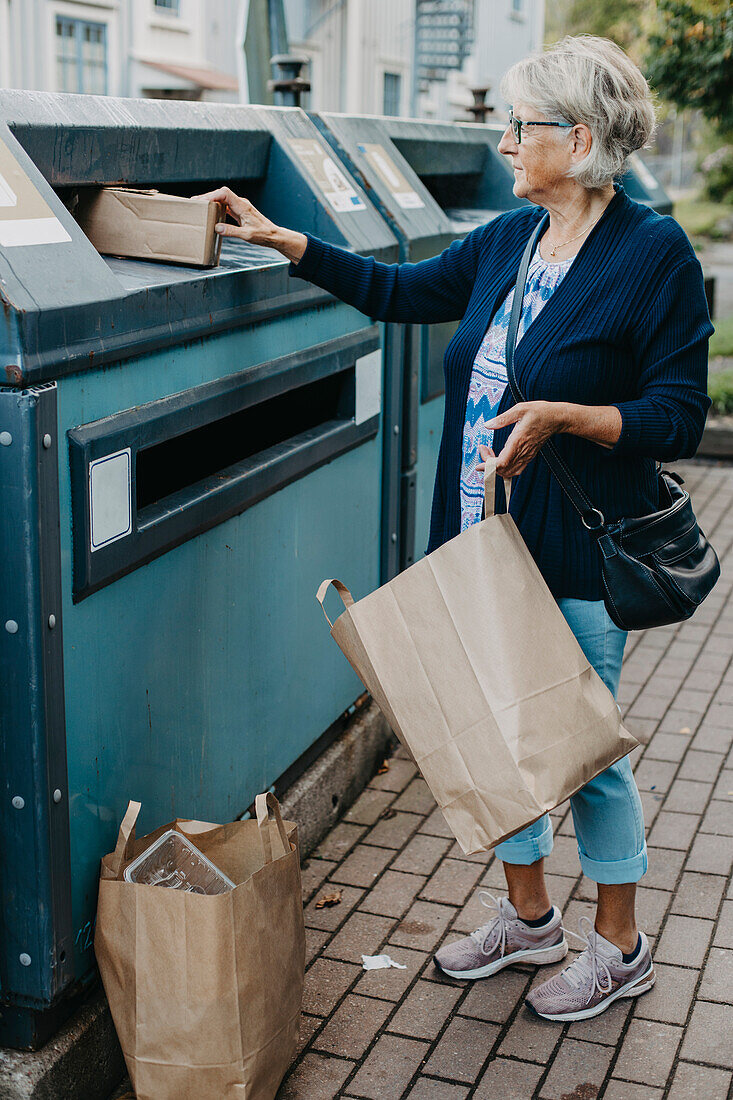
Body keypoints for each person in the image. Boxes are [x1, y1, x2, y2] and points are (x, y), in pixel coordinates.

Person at [195, 34, 712, 1023]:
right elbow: (401, 292)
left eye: (522, 126)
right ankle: (527, 919)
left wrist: (565, 417)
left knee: (582, 752)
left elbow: (677, 414)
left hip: (573, 554)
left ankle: (619, 942)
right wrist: (283, 240)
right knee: (494, 736)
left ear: (580, 136)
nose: (507, 140)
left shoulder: (653, 254)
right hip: (476, 542)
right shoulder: (510, 238)